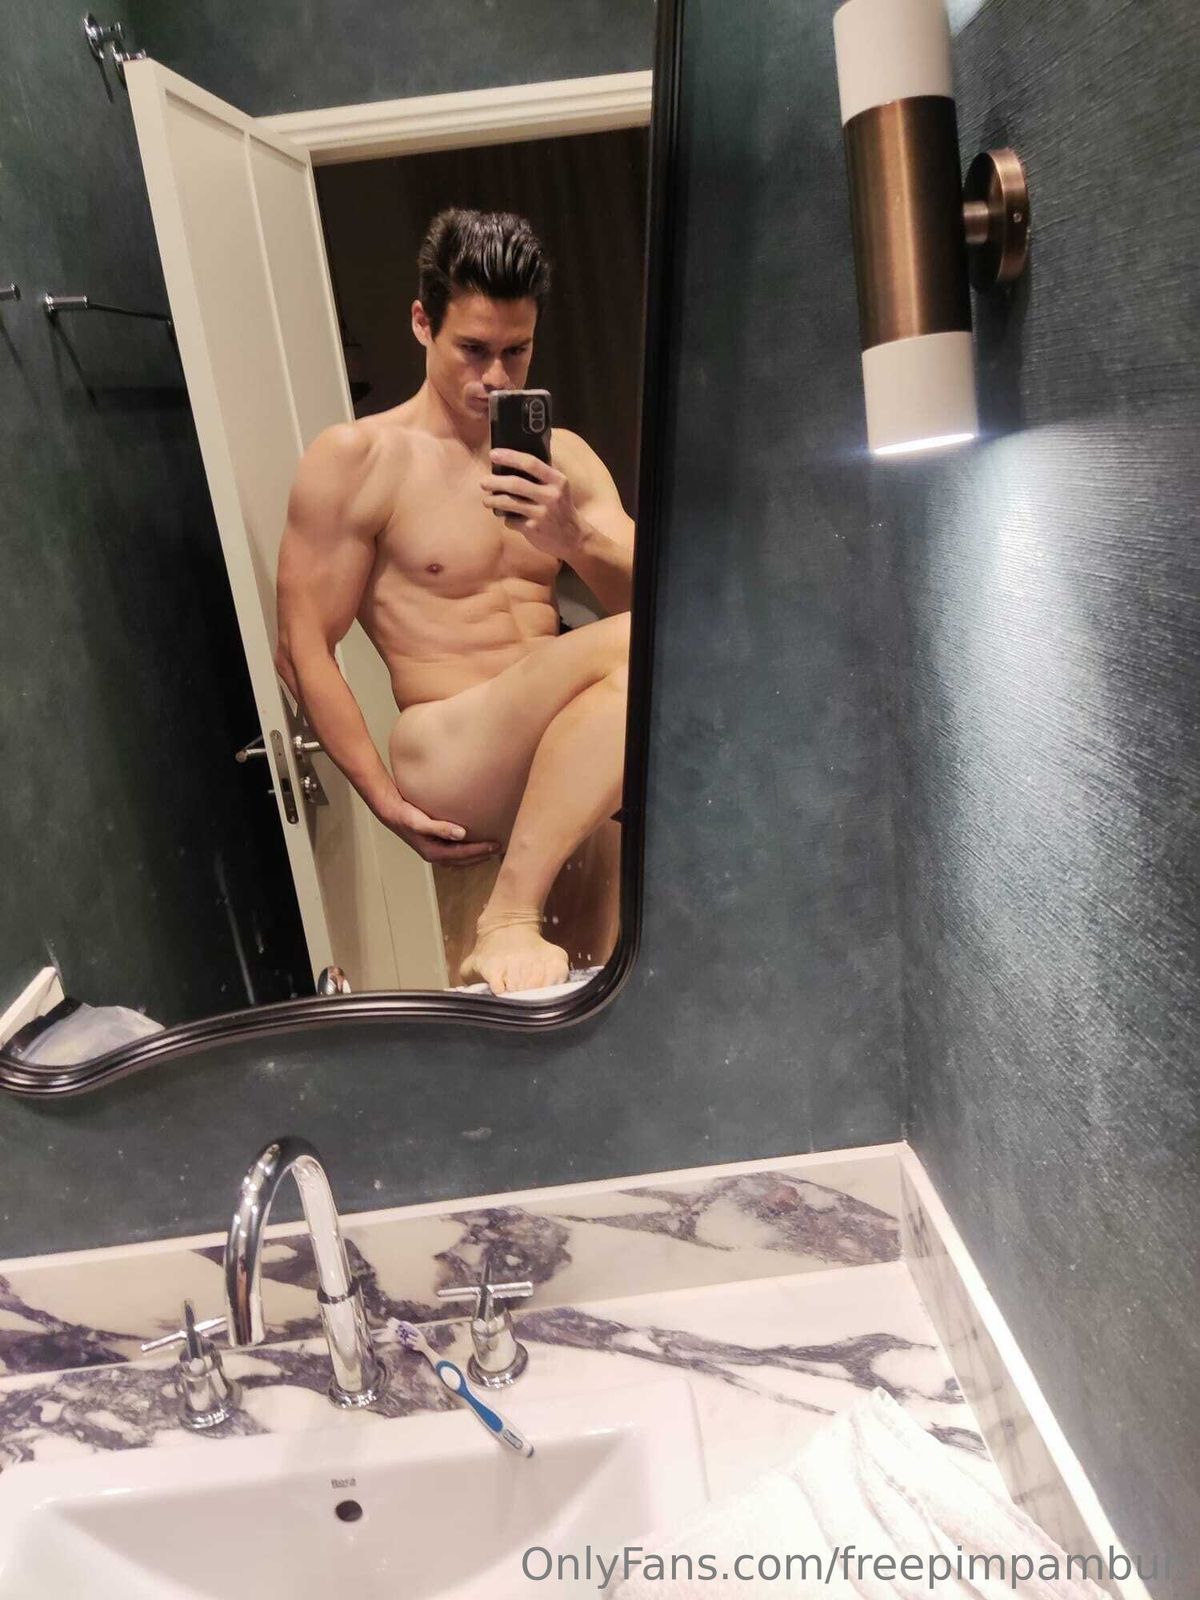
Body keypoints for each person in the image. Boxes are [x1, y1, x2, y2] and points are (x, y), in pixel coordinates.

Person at [275, 208, 634, 995]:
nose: (497, 377)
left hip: (564, 758)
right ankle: (509, 914)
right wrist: (382, 799)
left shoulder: (563, 460)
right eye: (474, 349)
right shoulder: (360, 459)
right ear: (421, 323)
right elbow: (301, 647)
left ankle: (511, 919)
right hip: (449, 748)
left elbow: (660, 606)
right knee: (645, 650)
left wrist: (573, 537)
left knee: (593, 1001)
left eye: (517, 351)